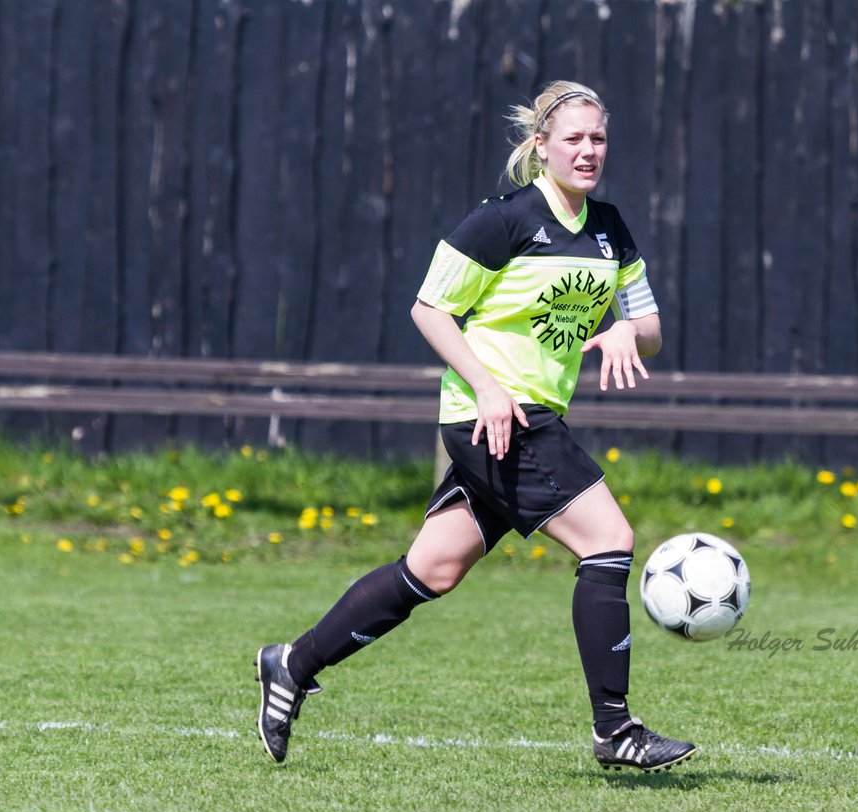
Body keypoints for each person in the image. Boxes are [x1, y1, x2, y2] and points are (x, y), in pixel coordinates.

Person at [255, 81, 695, 772]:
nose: (587, 151)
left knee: (433, 568)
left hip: (528, 415)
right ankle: (615, 730)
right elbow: (429, 309)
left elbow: (652, 332)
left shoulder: (610, 228)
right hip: (497, 414)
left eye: (598, 139)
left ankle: (292, 661)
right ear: (541, 145)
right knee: (609, 540)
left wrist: (622, 335)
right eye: (573, 139)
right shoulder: (506, 220)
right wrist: (488, 389)